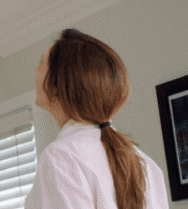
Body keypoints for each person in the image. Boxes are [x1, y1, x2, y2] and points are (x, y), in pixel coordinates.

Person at [25, 29, 169, 209]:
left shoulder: (60, 158)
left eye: (41, 63)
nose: (36, 69)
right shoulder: (147, 165)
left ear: (57, 84)